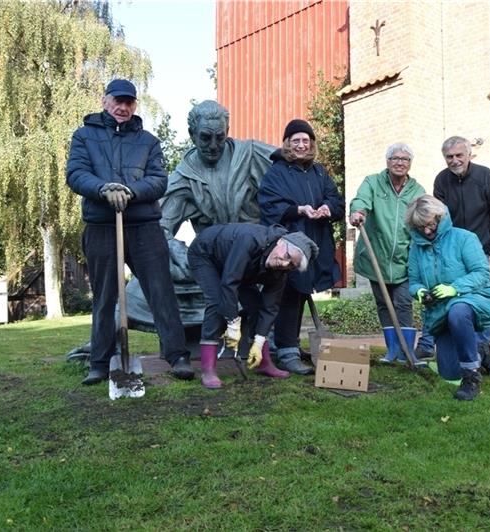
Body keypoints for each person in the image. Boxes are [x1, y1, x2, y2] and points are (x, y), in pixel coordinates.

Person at [66, 79, 194, 385]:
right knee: (104, 295)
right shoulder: (84, 136)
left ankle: (177, 356)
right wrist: (103, 189)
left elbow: (159, 180)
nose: (123, 108)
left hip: (143, 226)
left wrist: (129, 191)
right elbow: (76, 174)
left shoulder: (148, 141)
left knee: (161, 291)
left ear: (134, 105)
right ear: (105, 101)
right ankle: (100, 362)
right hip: (101, 225)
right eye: (117, 101)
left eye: (129, 102)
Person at [125, 100, 275, 340]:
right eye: (205, 138)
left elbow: (290, 168)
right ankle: (108, 339)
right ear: (192, 135)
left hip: (260, 253)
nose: (214, 146)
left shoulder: (251, 155)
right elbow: (158, 223)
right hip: (218, 259)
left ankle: (275, 340)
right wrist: (175, 248)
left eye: (220, 137)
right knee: (141, 284)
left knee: (282, 267)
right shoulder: (184, 178)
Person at [258, 119, 345, 374]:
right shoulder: (277, 172)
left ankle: (285, 345)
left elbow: (335, 200)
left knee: (301, 291)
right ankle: (287, 350)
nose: (300, 145)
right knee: (289, 293)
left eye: (305, 140)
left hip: (316, 240)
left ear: (311, 144)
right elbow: (268, 206)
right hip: (290, 241)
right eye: (295, 140)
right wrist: (297, 210)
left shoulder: (319, 172)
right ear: (287, 144)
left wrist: (328, 208)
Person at [187, 223, 319, 388]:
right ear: (281, 242)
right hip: (206, 255)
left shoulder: (281, 271)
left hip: (240, 268)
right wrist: (233, 323)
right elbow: (230, 282)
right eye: (287, 256)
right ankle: (208, 370)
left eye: (291, 265)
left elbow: (270, 307)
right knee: (217, 304)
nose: (284, 264)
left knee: (257, 306)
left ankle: (263, 363)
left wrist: (258, 341)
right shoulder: (250, 239)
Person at [406, 196, 490, 400]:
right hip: (440, 311)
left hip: (472, 300)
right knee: (449, 372)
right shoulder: (416, 248)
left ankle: (471, 377)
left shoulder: (464, 238)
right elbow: (413, 281)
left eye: (430, 224)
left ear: (440, 218)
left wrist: (454, 289)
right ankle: (481, 351)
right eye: (420, 226)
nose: (426, 231)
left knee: (458, 311)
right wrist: (420, 292)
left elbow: (482, 272)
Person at [429, 135, 490, 375]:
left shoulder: (486, 177)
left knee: (482, 306)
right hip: (453, 257)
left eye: (458, 155)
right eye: (449, 157)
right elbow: (438, 219)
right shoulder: (441, 181)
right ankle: (472, 354)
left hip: (483, 254)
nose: (454, 161)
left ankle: (482, 348)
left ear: (469, 154)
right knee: (458, 306)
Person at [349, 143, 425, 363]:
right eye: (395, 158)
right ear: (387, 162)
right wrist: (358, 211)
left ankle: (406, 351)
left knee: (403, 303)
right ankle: (392, 350)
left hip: (403, 259)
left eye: (405, 159)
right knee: (383, 304)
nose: (400, 162)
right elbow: (361, 200)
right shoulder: (373, 182)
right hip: (377, 257)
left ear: (410, 164)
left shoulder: (417, 191)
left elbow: (422, 217)